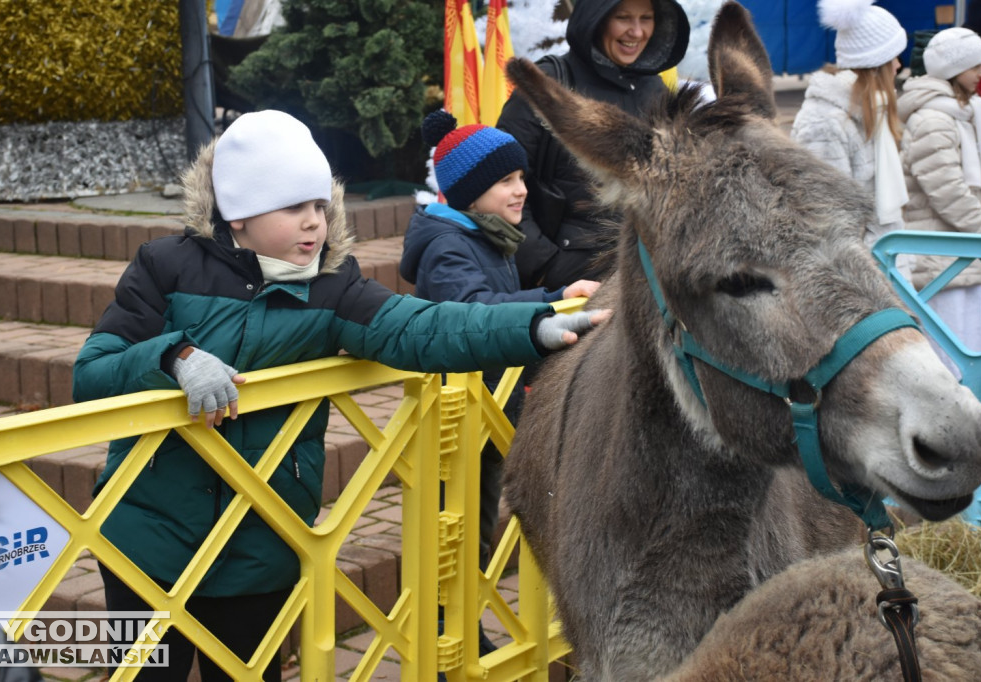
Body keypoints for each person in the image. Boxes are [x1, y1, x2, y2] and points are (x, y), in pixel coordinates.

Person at [71, 110, 608, 681]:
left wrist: (533, 327)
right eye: (293, 208)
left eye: (320, 206)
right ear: (239, 213)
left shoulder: (334, 285)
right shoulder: (164, 266)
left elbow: (422, 327)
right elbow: (93, 373)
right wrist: (173, 357)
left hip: (261, 538)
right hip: (148, 536)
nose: (314, 224)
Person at [399, 110, 601, 656]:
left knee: (476, 524)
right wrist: (551, 302)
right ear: (469, 191)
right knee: (454, 529)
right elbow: (472, 312)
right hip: (455, 415)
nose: (521, 191)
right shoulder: (449, 247)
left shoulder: (487, 237)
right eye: (506, 181)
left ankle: (463, 630)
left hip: (488, 405)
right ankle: (445, 642)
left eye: (521, 178)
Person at [496, 0, 690, 291]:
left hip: (649, 287)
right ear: (594, 19)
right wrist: (549, 269)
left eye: (646, 18)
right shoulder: (550, 84)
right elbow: (497, 188)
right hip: (567, 292)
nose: (636, 32)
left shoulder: (658, 91)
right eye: (623, 17)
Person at [897, 27, 981, 377]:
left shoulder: (965, 113)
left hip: (962, 255)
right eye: (975, 64)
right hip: (942, 263)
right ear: (953, 69)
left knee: (971, 350)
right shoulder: (934, 119)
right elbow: (947, 192)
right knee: (950, 361)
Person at [791, 0, 910, 257]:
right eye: (894, 57)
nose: (899, 66)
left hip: (887, 261)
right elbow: (827, 218)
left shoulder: (874, 111)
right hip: (862, 276)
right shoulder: (824, 121)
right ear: (877, 64)